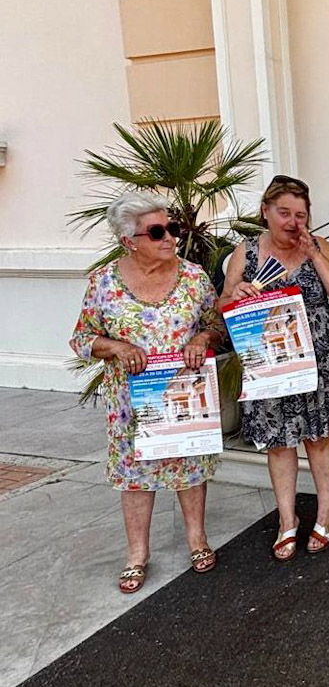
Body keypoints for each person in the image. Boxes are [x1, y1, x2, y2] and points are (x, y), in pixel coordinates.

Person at [70, 192, 227, 593]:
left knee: (188, 467)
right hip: (131, 405)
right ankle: (137, 554)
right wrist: (118, 348)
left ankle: (197, 540)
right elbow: (82, 339)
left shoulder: (194, 277)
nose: (170, 237)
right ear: (129, 241)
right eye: (157, 232)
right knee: (135, 476)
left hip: (183, 395)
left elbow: (217, 326)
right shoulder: (104, 283)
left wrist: (202, 339)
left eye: (171, 228)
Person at [219, 175, 329, 561]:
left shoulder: (318, 246)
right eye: (284, 213)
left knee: (320, 436)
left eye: (301, 214)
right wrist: (235, 295)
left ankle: (326, 512)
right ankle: (287, 519)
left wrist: (314, 254)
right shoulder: (245, 253)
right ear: (265, 212)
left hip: (317, 361)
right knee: (278, 442)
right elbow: (222, 307)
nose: (293, 222)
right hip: (270, 364)